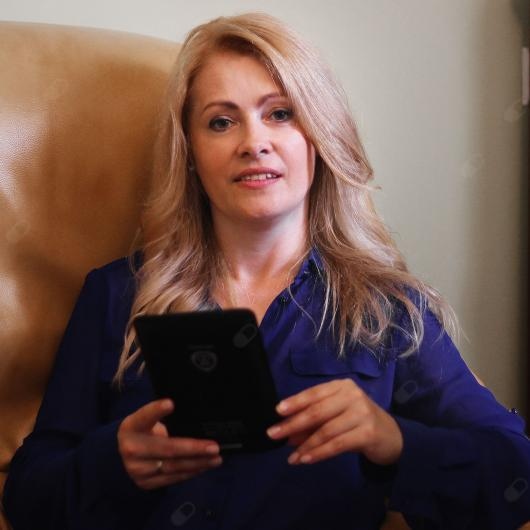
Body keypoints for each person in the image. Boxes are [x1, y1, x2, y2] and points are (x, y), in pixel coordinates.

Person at [3, 12, 530, 530]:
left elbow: (515, 476)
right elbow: (28, 496)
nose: (253, 142)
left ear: (319, 136)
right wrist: (113, 463)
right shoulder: (118, 293)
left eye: (280, 114)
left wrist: (394, 442)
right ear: (191, 154)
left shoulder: (386, 310)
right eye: (221, 121)